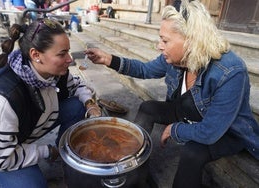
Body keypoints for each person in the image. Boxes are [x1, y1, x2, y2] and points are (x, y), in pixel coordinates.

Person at [85, 0, 259, 187]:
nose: (159, 46)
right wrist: (109, 59)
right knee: (148, 108)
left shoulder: (230, 71)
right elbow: (144, 69)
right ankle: (131, 165)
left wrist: (175, 129)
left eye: (165, 40)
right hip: (190, 113)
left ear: (191, 40)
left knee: (193, 152)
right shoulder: (175, 59)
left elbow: (210, 132)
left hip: (225, 131)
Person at [0, 18, 101, 188]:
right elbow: (0, 158)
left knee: (76, 106)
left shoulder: (54, 71)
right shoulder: (4, 99)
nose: (70, 59)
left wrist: (90, 104)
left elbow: (77, 85)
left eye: (68, 52)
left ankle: (66, 154)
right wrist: (47, 151)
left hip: (26, 130)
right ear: (36, 55)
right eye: (62, 54)